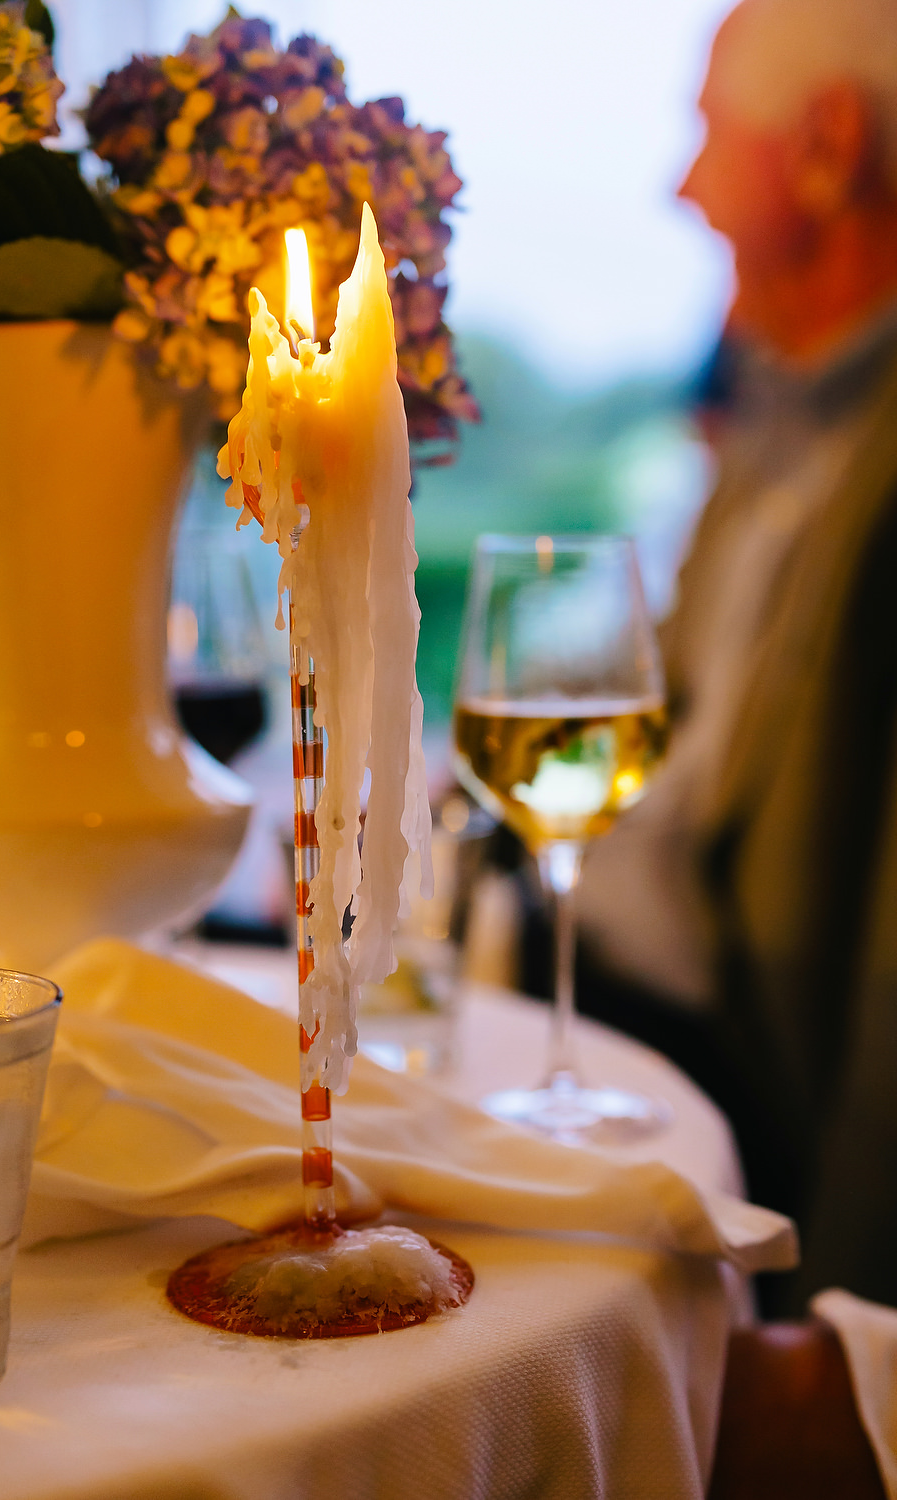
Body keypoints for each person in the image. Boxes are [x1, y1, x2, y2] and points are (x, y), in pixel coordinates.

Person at [577, 0, 897, 1311]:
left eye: (711, 135)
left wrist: (847, 1356)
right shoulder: (776, 407)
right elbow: (654, 702)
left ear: (828, 145)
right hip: (616, 1009)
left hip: (746, 1101)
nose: (686, 184)